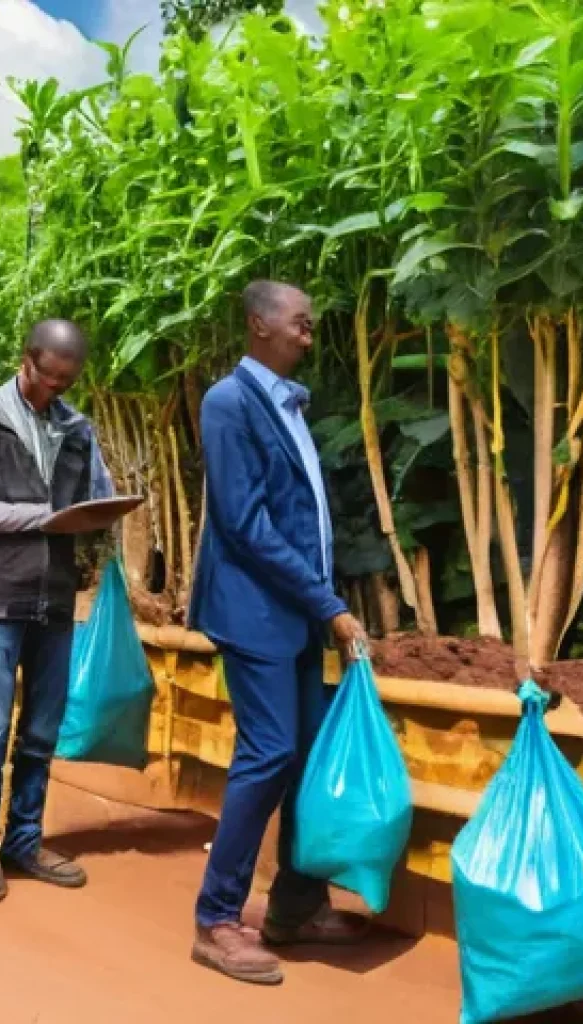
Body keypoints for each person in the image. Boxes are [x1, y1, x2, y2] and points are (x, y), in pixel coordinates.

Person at [188, 280, 369, 986]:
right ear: (260, 326)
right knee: (268, 753)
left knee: (302, 757)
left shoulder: (289, 404)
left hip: (294, 612)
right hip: (255, 612)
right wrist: (328, 603)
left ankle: (294, 907)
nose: (308, 335)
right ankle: (216, 918)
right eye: (299, 324)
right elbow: (245, 523)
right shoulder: (229, 403)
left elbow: (298, 518)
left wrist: (322, 602)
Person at [0, 319, 108, 904]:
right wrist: (38, 516)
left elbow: (92, 499)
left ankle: (24, 840)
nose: (56, 391)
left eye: (68, 382)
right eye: (49, 378)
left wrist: (102, 513)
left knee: (40, 732)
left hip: (54, 597)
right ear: (26, 361)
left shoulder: (79, 428)